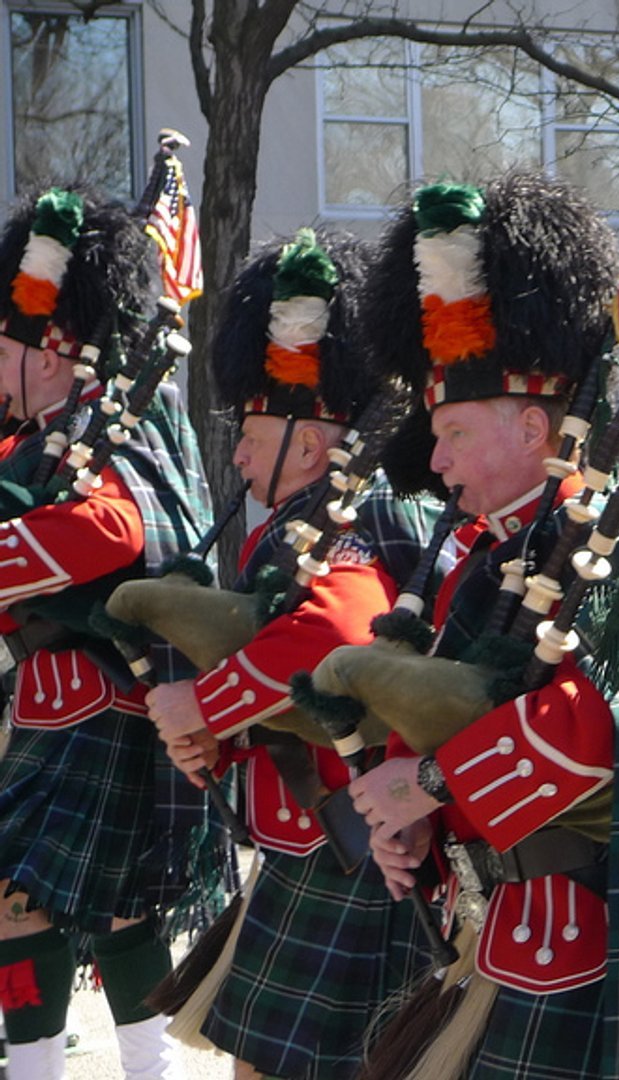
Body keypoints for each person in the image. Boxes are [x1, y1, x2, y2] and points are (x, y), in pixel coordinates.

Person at [333, 172, 619, 1078]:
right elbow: (461, 702)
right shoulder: (481, 550)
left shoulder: (618, 535)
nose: (435, 460)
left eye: (455, 433)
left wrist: (428, 781)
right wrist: (414, 814)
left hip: (606, 945)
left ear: (533, 423)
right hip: (502, 929)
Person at [137, 228, 442, 1079]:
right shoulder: (300, 521)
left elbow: (342, 637)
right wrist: (223, 737)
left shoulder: (355, 518)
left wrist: (209, 706)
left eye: (250, 427)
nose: (233, 448)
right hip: (313, 838)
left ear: (307, 442)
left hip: (357, 844)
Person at [0, 186, 217, 1079]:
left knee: (28, 904)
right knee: (107, 910)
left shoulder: (99, 427)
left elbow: (120, 533)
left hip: (100, 702)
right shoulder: (58, 428)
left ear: (50, 352)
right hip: (85, 703)